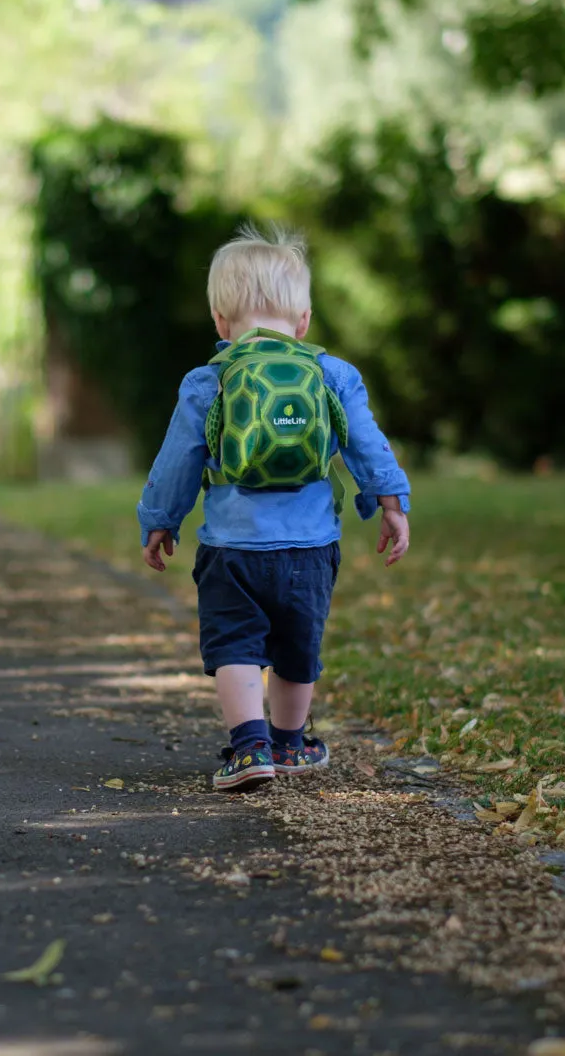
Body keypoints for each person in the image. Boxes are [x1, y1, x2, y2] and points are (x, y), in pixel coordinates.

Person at [137, 224, 411, 791]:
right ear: (304, 320)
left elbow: (176, 462)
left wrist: (161, 520)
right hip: (310, 548)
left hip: (231, 548)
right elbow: (367, 443)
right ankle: (289, 745)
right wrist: (391, 501)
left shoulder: (207, 381)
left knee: (235, 645)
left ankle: (249, 748)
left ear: (219, 321)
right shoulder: (334, 375)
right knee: (296, 646)